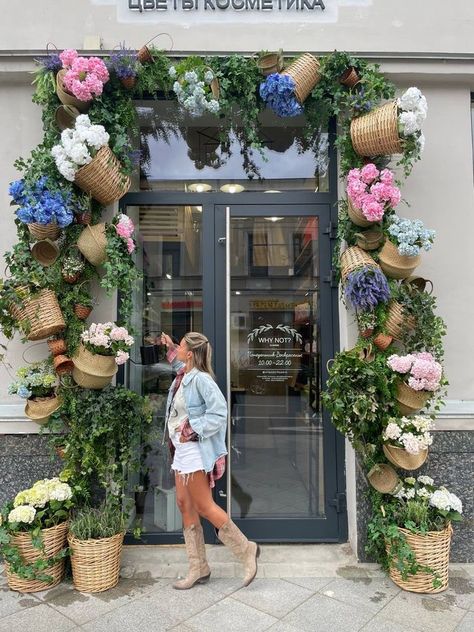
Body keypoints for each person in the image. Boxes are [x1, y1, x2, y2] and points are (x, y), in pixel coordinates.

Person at [160, 331, 260, 590]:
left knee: (204, 506)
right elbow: (177, 363)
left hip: (194, 451)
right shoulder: (185, 374)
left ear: (191, 354)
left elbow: (219, 412)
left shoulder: (202, 380)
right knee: (184, 504)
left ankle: (246, 549)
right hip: (181, 452)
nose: (179, 349)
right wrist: (170, 346)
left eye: (181, 346)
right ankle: (199, 567)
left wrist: (192, 428)